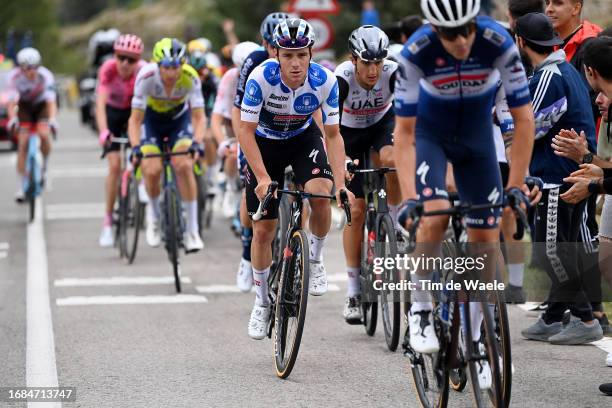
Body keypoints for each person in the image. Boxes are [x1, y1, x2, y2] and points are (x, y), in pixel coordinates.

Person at [394, 0, 536, 389]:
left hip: (477, 142)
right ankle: (421, 308)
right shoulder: (416, 51)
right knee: (435, 216)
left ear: (476, 21)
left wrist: (517, 186)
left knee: (486, 241)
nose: (460, 41)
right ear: (433, 29)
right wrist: (409, 199)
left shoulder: (498, 42)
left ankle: (476, 338)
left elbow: (524, 120)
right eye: (449, 33)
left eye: (466, 29)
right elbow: (404, 135)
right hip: (431, 137)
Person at [239, 18, 354, 339]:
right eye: (287, 56)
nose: (295, 63)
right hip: (265, 142)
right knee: (263, 230)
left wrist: (341, 184)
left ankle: (314, 260)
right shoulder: (260, 78)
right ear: (276, 55)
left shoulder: (325, 81)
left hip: (303, 138)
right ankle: (261, 302)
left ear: (310, 54)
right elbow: (244, 132)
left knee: (321, 194)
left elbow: (332, 135)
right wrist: (261, 177)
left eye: (301, 55)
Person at [512, 13, 603, 345]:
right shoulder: (563, 68)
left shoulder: (549, 77)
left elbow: (526, 128)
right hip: (570, 174)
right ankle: (553, 316)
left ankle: (584, 316)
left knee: (549, 250)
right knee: (564, 246)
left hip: (555, 178)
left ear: (521, 42)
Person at [334, 25, 401, 323]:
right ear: (354, 60)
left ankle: (397, 221)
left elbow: (412, 114)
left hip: (380, 126)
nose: (374, 70)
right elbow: (329, 131)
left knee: (393, 159)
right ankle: (352, 290)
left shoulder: (395, 73)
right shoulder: (342, 80)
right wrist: (342, 161)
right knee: (357, 209)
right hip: (347, 133)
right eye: (367, 63)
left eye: (378, 62)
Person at [128, 38, 206, 253]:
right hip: (151, 122)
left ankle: (192, 230)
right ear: (158, 65)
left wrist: (197, 143)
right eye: (167, 67)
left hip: (178, 122)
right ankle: (153, 216)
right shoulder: (146, 77)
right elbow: (134, 120)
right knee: (151, 170)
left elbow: (199, 118)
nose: (172, 73)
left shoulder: (190, 77)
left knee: (184, 165)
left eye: (176, 67)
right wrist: (136, 148)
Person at [232, 12, 290, 293]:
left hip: (289, 132)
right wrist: (243, 148)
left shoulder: (295, 62)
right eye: (269, 44)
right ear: (264, 43)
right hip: (255, 130)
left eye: (276, 44)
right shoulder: (254, 63)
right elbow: (238, 110)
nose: (273, 51)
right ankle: (247, 252)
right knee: (251, 200)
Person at [96, 34, 146, 247]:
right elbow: (100, 105)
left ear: (138, 61)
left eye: (131, 59)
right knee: (114, 166)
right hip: (114, 114)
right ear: (115, 56)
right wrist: (104, 131)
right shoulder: (107, 69)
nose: (125, 63)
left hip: (135, 113)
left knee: (144, 150)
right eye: (121, 57)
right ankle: (108, 221)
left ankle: (141, 182)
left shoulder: (144, 71)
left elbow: (149, 106)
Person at [6, 47, 58, 202]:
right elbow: (11, 102)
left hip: (41, 105)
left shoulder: (45, 76)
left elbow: (51, 101)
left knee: (43, 134)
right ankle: (21, 186)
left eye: (35, 66)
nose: (32, 71)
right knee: (22, 144)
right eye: (28, 68)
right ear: (21, 68)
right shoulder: (14, 77)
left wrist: (53, 119)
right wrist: (12, 118)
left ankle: (45, 168)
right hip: (24, 106)